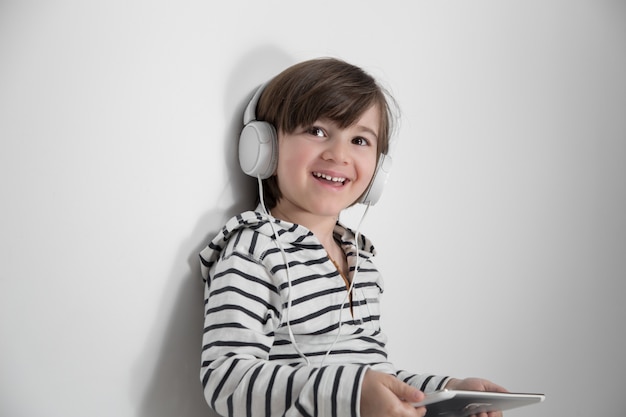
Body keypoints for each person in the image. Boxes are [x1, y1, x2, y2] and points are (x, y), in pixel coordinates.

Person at [199, 57, 507, 417]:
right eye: (316, 131)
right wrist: (352, 395)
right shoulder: (255, 251)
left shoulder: (360, 261)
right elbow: (227, 380)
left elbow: (375, 377)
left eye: (360, 139)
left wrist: (447, 392)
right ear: (264, 147)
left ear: (379, 169)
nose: (338, 154)